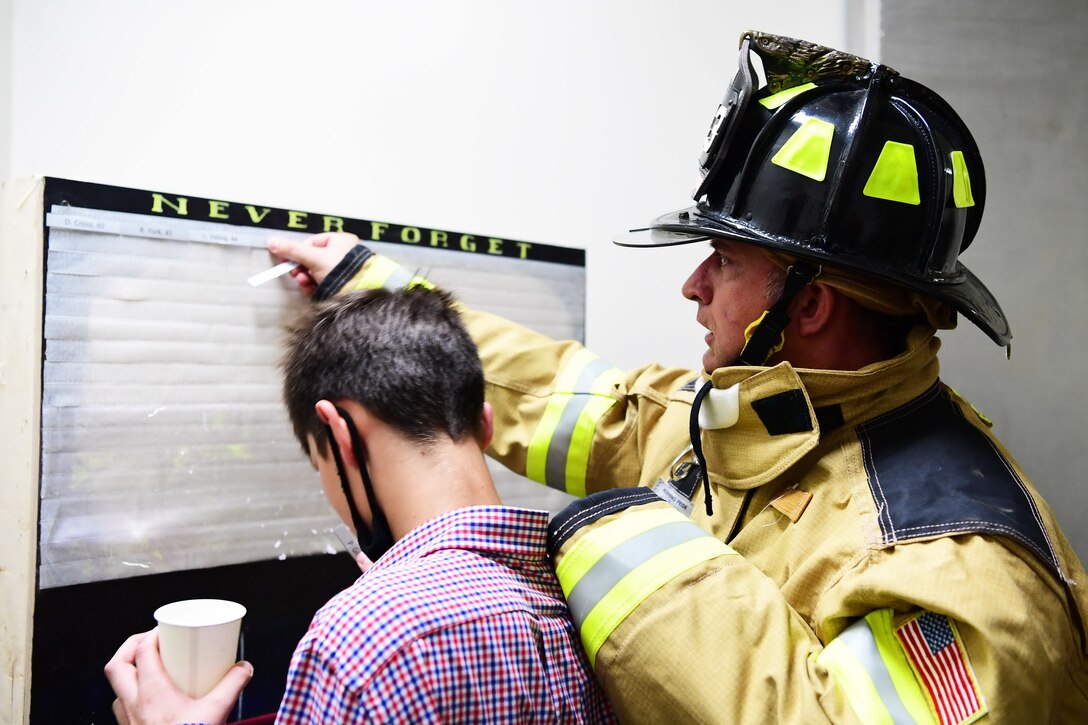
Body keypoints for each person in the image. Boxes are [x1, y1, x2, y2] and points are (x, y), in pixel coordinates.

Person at [269, 31, 1088, 724]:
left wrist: (610, 538)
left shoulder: (962, 565)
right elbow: (576, 398)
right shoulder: (752, 423)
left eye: (725, 259)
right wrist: (373, 291)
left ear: (811, 307)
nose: (693, 285)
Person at [105, 287, 616, 724]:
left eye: (318, 464)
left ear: (338, 432)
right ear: (484, 425)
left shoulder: (364, 642)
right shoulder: (590, 584)